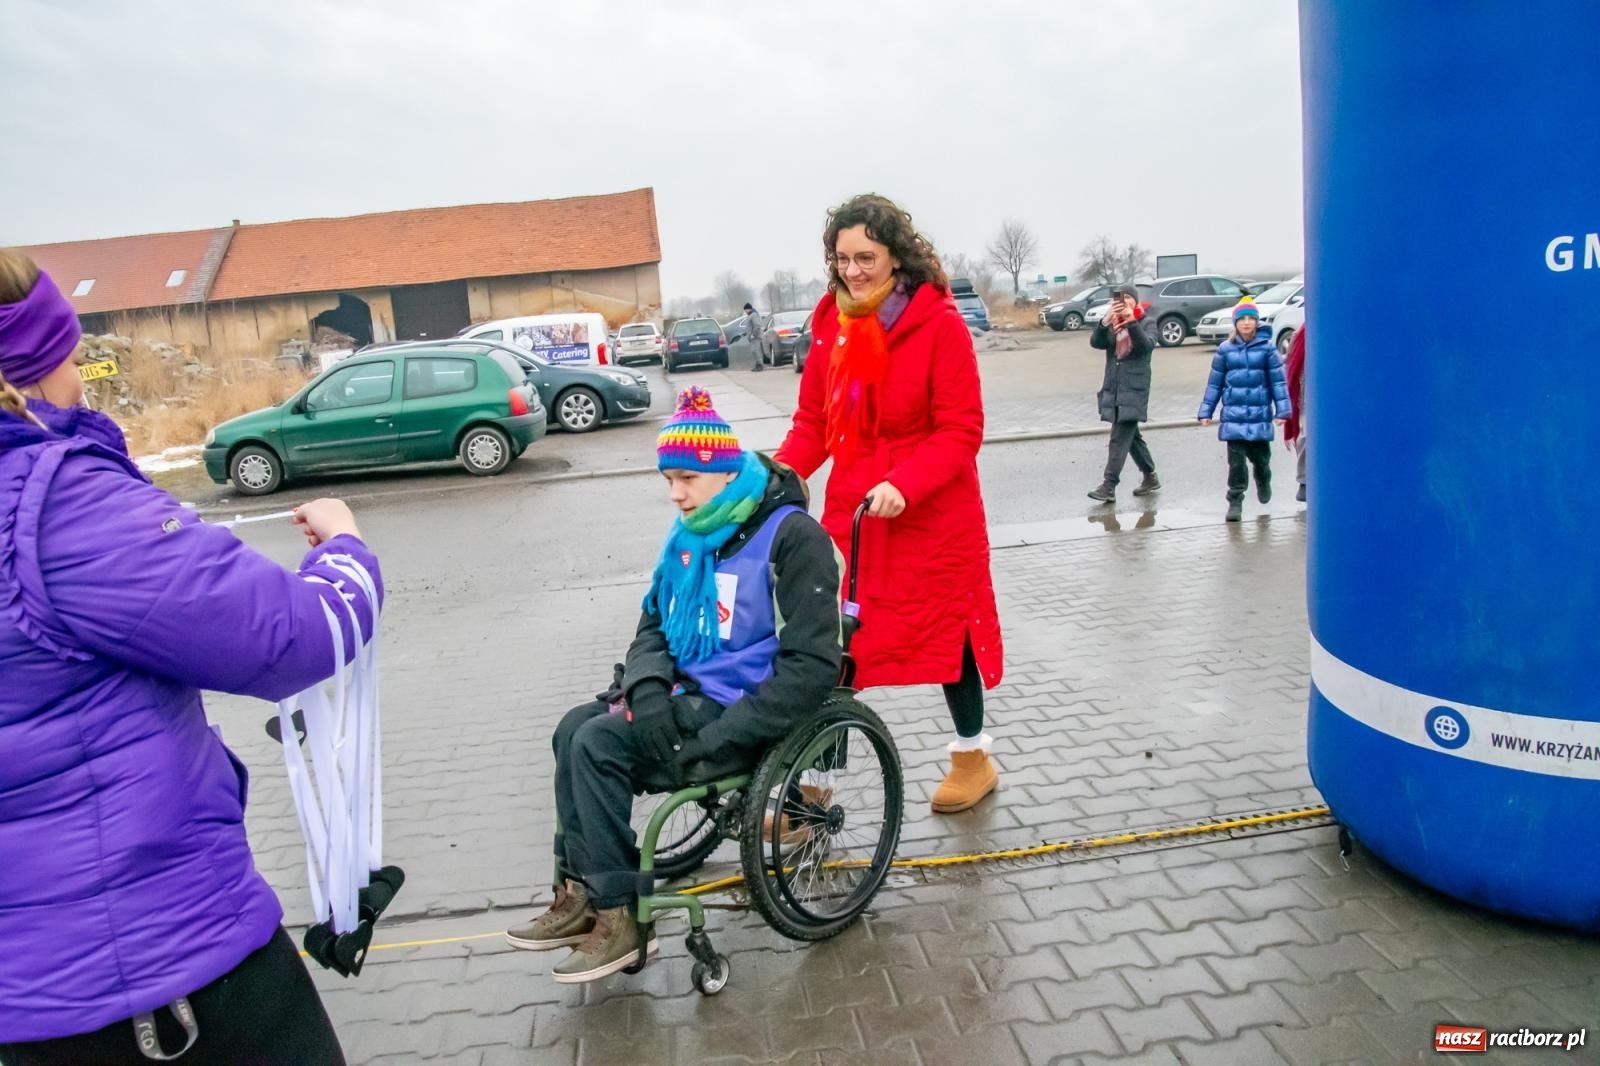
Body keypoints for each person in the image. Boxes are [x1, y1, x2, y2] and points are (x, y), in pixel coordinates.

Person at [0, 249, 380, 1064]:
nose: (82, 377)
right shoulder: (59, 506)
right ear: (31, 366)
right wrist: (346, 553)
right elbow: (293, 637)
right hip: (160, 977)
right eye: (69, 352)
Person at [506, 387, 841, 983]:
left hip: (742, 713)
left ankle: (623, 917)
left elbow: (813, 667)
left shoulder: (794, 539)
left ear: (722, 471)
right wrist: (647, 690)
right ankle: (584, 893)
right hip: (687, 693)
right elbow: (652, 626)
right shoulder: (689, 538)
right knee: (571, 730)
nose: (675, 494)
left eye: (685, 478)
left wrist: (723, 737)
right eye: (668, 479)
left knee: (597, 746)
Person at [775, 193, 1005, 815]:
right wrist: (769, 477)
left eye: (865, 257)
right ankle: (814, 794)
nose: (852, 271)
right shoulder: (830, 323)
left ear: (895, 255)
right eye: (842, 258)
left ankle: (972, 755)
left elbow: (962, 428)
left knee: (945, 633)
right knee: (836, 643)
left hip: (929, 509)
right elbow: (814, 424)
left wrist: (906, 482)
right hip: (855, 510)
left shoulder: (938, 322)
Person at [1197, 295, 1293, 522]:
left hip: (1260, 416)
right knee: (1236, 463)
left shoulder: (1268, 350)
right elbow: (1215, 383)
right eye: (1242, 319)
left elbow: (1278, 383)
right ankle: (1235, 500)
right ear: (1236, 323)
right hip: (1233, 417)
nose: (1247, 323)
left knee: (1261, 460)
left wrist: (1283, 411)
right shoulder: (1225, 350)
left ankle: (1263, 479)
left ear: (1257, 322)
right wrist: (1206, 411)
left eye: (1251, 318)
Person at [1087, 283, 1159, 502]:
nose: (1124, 302)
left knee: (1119, 438)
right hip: (1114, 387)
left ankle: (1109, 486)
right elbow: (1097, 343)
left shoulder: (1147, 322)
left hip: (1134, 389)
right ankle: (1150, 476)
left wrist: (1132, 321)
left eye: (1128, 298)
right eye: (1120, 299)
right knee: (1131, 437)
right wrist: (1104, 322)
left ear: (1135, 301)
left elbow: (1146, 346)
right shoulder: (1114, 325)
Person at [1283, 326, 1308, 502]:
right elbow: (1292, 371)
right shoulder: (1301, 335)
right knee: (1306, 435)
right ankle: (1304, 480)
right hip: (1307, 396)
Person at [742, 301, 764, 371]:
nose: (745, 311)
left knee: (756, 351)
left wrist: (753, 335)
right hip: (752, 337)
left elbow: (757, 325)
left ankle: (760, 365)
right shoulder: (751, 315)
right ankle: (757, 364)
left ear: (748, 309)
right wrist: (746, 333)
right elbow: (750, 326)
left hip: (755, 337)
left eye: (745, 310)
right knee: (754, 351)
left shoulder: (753, 315)